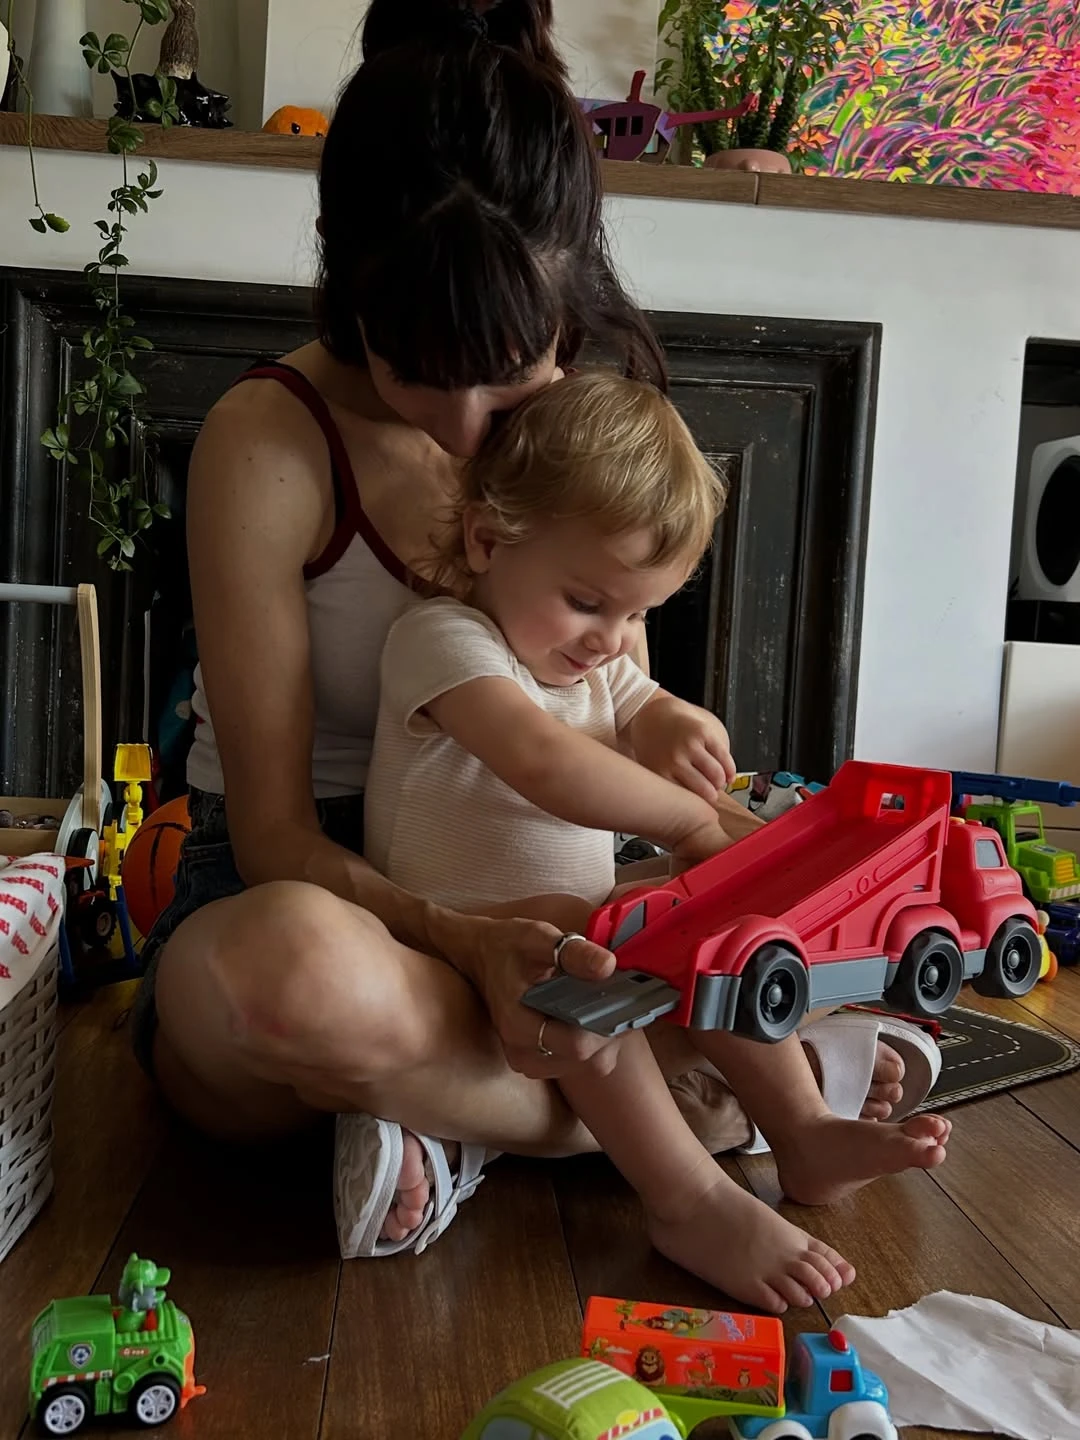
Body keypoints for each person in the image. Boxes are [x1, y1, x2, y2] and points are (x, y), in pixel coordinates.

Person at [128, 0, 933, 1274]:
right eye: (417, 374)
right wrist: (462, 942)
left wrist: (682, 772)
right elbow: (276, 837)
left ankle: (468, 1120)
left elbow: (617, 700)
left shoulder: (594, 426)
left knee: (709, 922)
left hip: (549, 898)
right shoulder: (269, 440)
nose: (464, 429)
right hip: (325, 892)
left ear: (569, 297)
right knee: (284, 985)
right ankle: (692, 1114)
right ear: (351, 291)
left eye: (508, 378)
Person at [363, 369, 951, 1312]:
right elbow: (542, 761)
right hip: (459, 945)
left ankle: (801, 1128)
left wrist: (674, 718)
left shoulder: (595, 663)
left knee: (690, 919)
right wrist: (683, 819)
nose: (610, 639)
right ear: (485, 540)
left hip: (582, 934)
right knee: (584, 932)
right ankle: (685, 1197)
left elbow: (639, 704)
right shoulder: (443, 639)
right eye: (589, 601)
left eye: (639, 613)